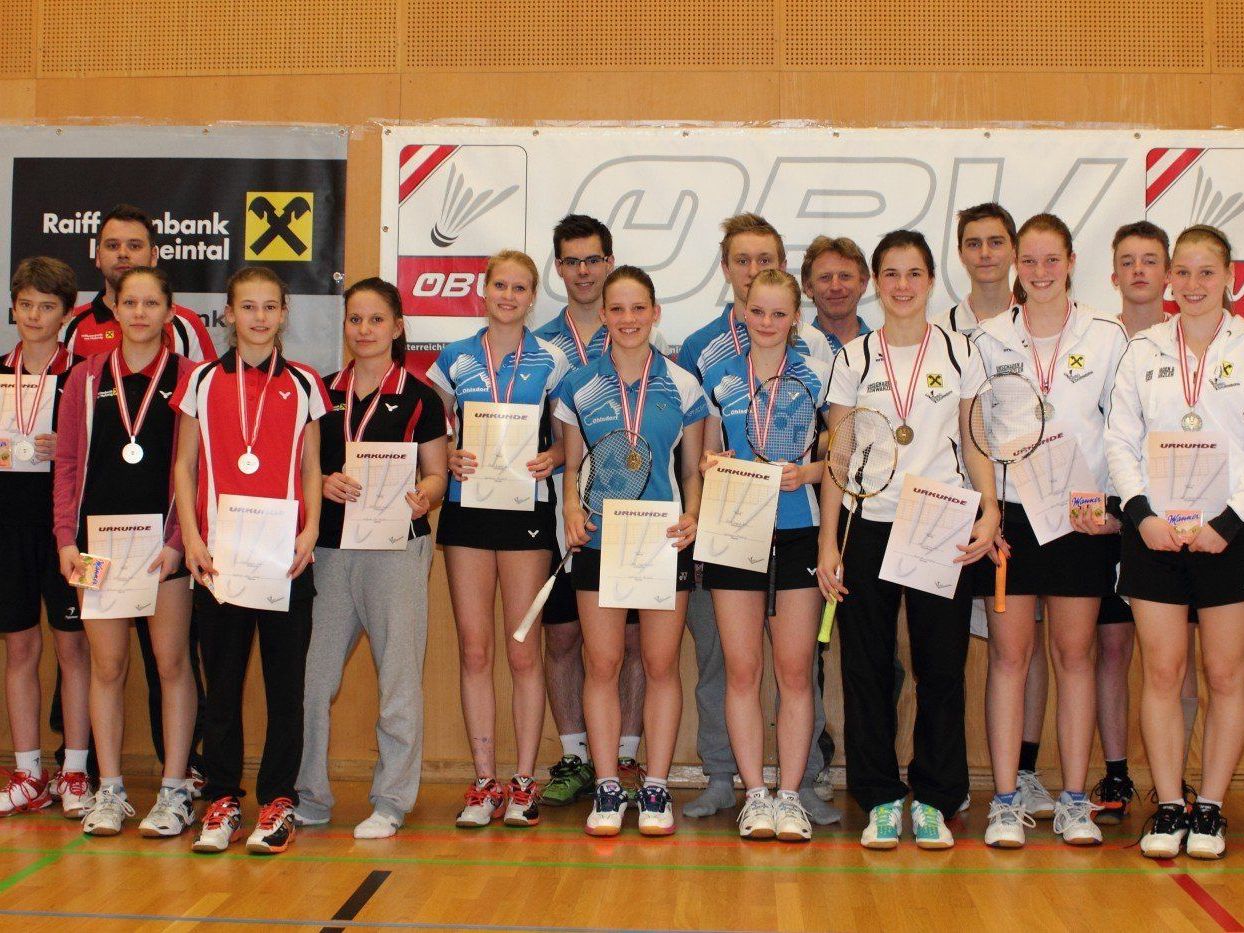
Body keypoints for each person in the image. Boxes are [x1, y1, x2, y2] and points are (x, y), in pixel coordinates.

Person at [817, 229, 999, 851]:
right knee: (866, 668)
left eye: (913, 273)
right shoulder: (852, 359)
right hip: (866, 524)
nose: (901, 285)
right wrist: (826, 544)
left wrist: (991, 511)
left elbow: (975, 441)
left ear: (929, 280)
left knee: (941, 668)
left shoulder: (960, 352)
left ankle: (937, 797)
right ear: (877, 281)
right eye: (890, 273)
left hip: (941, 519)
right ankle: (879, 797)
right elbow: (838, 460)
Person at [972, 214, 1128, 848]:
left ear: (1070, 261)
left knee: (1075, 658)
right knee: (1010, 658)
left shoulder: (1108, 335)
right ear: (1016, 265)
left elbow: (1122, 431)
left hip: (1078, 517)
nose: (1038, 273)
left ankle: (1072, 801)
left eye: (1050, 261)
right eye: (1028, 262)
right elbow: (972, 433)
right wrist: (987, 507)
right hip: (1011, 518)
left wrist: (1113, 509)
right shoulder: (985, 338)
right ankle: (1006, 801)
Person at [678, 212, 836, 824]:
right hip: (733, 533)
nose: (767, 321)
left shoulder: (819, 376)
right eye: (757, 311)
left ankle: (791, 795)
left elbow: (838, 460)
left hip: (798, 531)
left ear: (795, 316)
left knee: (795, 673)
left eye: (779, 312)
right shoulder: (716, 374)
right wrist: (713, 465)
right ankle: (754, 797)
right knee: (742, 672)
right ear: (741, 309)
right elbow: (703, 458)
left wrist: (809, 474)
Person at [172, 266, 329, 855]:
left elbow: (312, 466)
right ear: (229, 314)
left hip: (286, 560)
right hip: (218, 560)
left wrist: (310, 530)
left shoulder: (306, 382)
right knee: (224, 684)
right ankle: (220, 798)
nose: (259, 317)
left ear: (285, 312)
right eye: (248, 307)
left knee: (286, 686)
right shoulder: (203, 380)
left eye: (270, 306)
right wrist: (191, 537)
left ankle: (279, 800)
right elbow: (185, 465)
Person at [59, 202, 213, 794]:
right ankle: (111, 790)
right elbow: (69, 468)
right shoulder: (86, 377)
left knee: (173, 666)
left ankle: (175, 787)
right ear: (114, 309)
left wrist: (180, 541)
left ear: (170, 312)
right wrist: (65, 542)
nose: (141, 312)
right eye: (130, 303)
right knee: (107, 667)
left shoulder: (193, 378)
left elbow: (197, 468)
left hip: (163, 549)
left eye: (152, 303)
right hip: (98, 547)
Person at [1107, 224, 1244, 860]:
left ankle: (1210, 807)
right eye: (1181, 273)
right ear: (1170, 280)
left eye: (1205, 273)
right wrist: (1141, 515)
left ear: (1229, 279)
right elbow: (1120, 441)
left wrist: (1230, 524)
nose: (1191, 285)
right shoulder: (1143, 350)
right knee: (1161, 673)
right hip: (1154, 536)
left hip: (1229, 537)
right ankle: (1167, 806)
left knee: (1225, 675)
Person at [293, 278, 448, 839]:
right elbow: (304, 469)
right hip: (330, 551)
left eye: (376, 320)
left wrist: (424, 495)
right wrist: (325, 480)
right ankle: (309, 795)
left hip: (397, 552)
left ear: (398, 327)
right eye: (355, 320)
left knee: (398, 679)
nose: (364, 330)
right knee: (312, 682)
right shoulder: (321, 393)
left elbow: (438, 473)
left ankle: (391, 799)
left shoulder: (421, 396)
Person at [557, 265, 705, 837]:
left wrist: (693, 514)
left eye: (637, 309)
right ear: (606, 317)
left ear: (655, 313)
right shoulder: (580, 384)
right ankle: (607, 785)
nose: (626, 320)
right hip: (601, 539)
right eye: (616, 310)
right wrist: (571, 507)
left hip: (662, 538)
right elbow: (572, 465)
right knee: (603, 664)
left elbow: (691, 470)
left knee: (662, 665)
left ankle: (658, 786)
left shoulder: (683, 384)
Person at [427, 250, 569, 829]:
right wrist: (449, 455)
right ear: (483, 291)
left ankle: (525, 780)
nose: (508, 296)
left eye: (520, 288)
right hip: (467, 510)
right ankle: (484, 781)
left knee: (521, 650)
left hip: (525, 513)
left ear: (533, 296)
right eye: (500, 286)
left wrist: (553, 457)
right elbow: (434, 431)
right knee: (475, 648)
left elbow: (569, 441)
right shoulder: (454, 359)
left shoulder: (553, 360)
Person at [935, 202, 1055, 820]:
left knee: (1023, 644)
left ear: (1012, 251)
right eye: (973, 243)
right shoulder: (943, 329)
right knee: (955, 649)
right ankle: (952, 777)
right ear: (960, 253)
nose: (985, 253)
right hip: (962, 510)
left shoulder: (1034, 325)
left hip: (1033, 505)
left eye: (996, 242)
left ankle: (1026, 772)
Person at [532, 215, 647, 807]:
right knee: (563, 638)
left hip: (632, 522)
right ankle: (576, 754)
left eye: (593, 260)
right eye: (572, 261)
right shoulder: (541, 345)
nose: (583, 271)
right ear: (558, 268)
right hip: (559, 515)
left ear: (608, 262)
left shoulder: (635, 336)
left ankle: (623, 755)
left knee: (629, 641)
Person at [1091, 221, 1191, 824]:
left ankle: (1171, 780)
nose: (1138, 272)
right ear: (1112, 274)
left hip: (1179, 526)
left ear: (1169, 273)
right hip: (1105, 516)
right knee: (1111, 648)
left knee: (1173, 661)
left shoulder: (1197, 342)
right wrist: (1109, 510)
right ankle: (1118, 773)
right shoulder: (1099, 340)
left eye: (1150, 261)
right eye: (1126, 262)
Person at [0, 258, 91, 819]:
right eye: (25, 304)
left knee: (74, 646)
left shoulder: (84, 375)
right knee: (19, 647)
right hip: (7, 528)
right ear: (13, 308)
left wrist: (71, 447)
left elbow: (103, 456)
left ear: (66, 313)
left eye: (46, 306)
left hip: (67, 531)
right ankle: (29, 770)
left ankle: (76, 770)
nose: (33, 315)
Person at [63, 204, 217, 361]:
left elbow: (208, 384)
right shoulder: (70, 324)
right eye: (112, 246)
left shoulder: (186, 325)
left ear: (153, 255)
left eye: (134, 246)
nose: (123, 253)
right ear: (97, 256)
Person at [803, 235, 872, 352]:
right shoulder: (795, 349)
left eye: (845, 276)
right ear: (809, 287)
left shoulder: (881, 347)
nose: (835, 287)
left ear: (863, 283)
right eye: (825, 277)